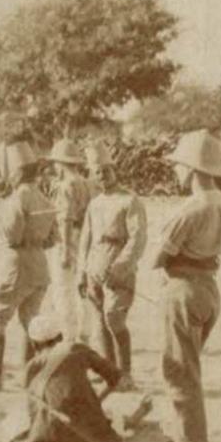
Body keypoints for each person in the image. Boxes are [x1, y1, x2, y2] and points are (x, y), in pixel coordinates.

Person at [152, 129, 221, 442]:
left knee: (179, 370)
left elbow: (159, 256)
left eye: (179, 166)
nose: (175, 171)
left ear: (191, 170)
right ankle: (186, 438)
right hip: (209, 288)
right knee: (188, 367)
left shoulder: (191, 208)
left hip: (183, 288)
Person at [0, 142, 56, 391]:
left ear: (17, 171)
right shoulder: (45, 199)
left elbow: (11, 237)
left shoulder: (17, 198)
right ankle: (28, 377)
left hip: (17, 262)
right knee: (31, 321)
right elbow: (51, 239)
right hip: (40, 263)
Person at [77, 142, 147, 389]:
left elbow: (138, 239)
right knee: (98, 320)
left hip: (118, 266)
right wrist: (81, 273)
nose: (102, 176)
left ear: (114, 170)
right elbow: (85, 237)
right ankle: (110, 371)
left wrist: (120, 268)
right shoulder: (94, 203)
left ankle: (125, 374)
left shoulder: (129, 200)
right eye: (97, 172)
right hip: (94, 265)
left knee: (114, 318)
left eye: (106, 170)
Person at [7, 315, 125, 442]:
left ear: (33, 344)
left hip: (43, 435)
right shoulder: (76, 349)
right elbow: (116, 377)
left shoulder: (30, 367)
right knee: (113, 416)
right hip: (84, 432)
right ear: (61, 337)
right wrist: (95, 402)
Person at [48, 138, 92, 343]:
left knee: (63, 288)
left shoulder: (66, 185)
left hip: (69, 238)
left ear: (61, 164)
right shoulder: (88, 183)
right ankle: (84, 332)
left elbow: (65, 219)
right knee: (82, 287)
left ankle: (69, 335)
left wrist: (65, 249)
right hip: (85, 237)